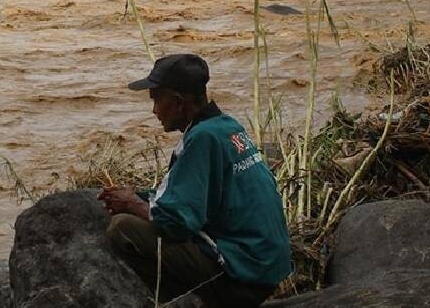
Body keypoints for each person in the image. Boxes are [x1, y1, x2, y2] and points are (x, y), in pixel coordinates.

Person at [99, 53, 291, 308]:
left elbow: (177, 223)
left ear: (178, 103)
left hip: (244, 275)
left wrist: (134, 205)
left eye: (157, 100)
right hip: (266, 266)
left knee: (123, 229)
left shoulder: (202, 139)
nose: (154, 110)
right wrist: (141, 196)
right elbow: (194, 194)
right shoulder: (226, 127)